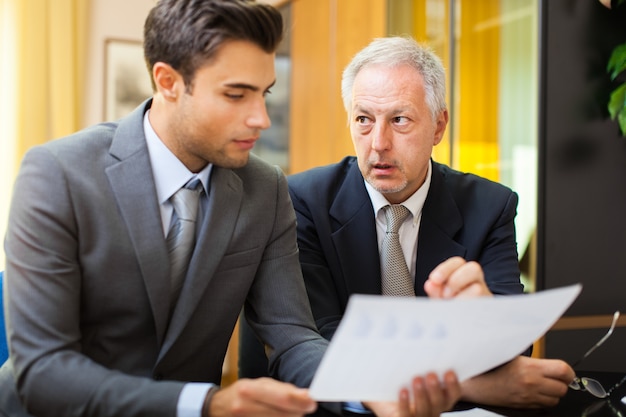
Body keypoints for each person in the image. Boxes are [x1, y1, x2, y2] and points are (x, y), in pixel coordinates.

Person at [0, 2, 463, 417]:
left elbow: (292, 336)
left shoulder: (265, 187)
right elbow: (44, 371)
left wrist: (369, 390)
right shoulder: (57, 174)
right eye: (236, 95)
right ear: (169, 82)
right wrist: (205, 403)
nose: (261, 117)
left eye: (264, 92)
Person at [239, 36, 576, 411]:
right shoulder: (301, 200)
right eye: (363, 120)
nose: (378, 143)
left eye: (399, 120)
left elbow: (515, 354)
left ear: (438, 126)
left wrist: (487, 321)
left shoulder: (490, 205)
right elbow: (323, 338)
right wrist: (470, 383)